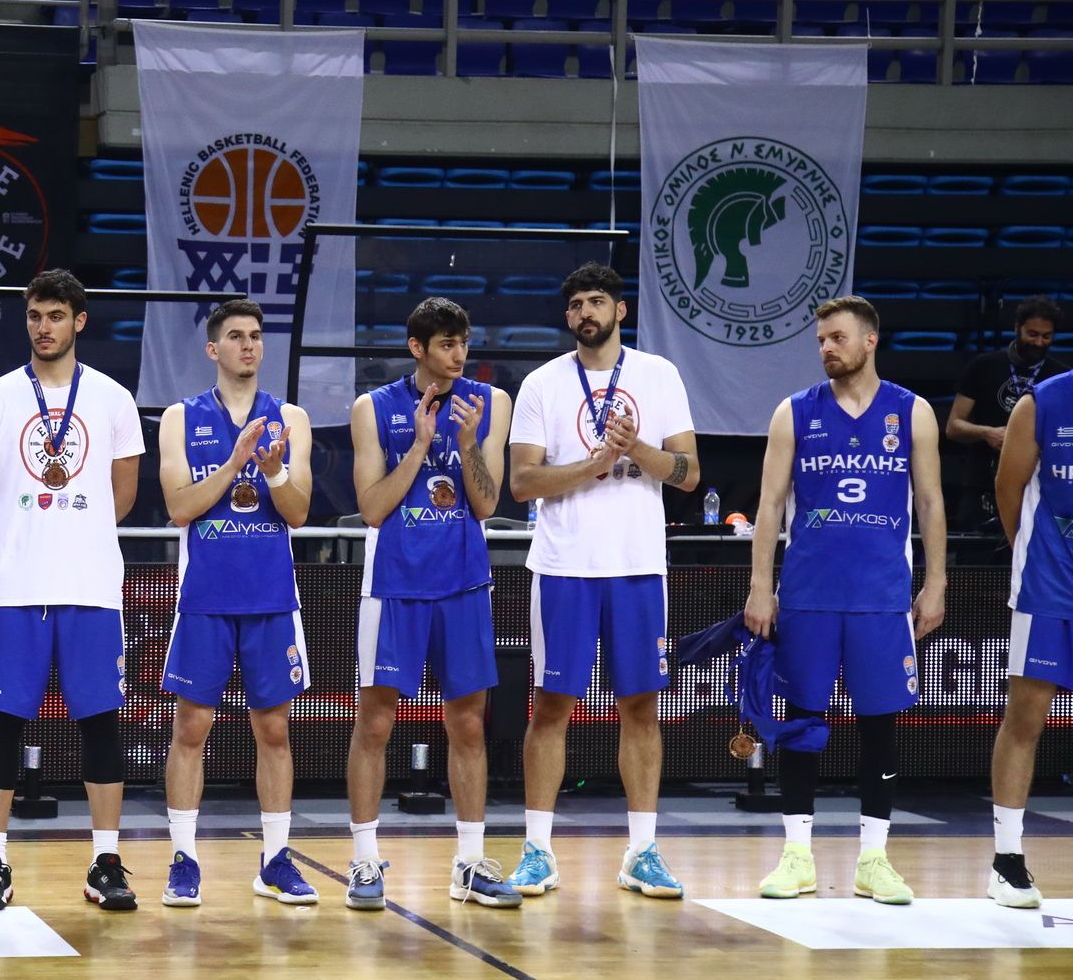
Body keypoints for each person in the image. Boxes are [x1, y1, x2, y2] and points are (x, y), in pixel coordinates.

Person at [744, 296, 948, 906]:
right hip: (808, 594)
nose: (826, 348)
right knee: (802, 720)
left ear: (869, 340)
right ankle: (796, 855)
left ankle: (874, 859)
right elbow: (769, 505)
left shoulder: (912, 412)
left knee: (880, 724)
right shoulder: (793, 412)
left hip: (881, 596)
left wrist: (936, 583)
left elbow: (931, 502)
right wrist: (760, 585)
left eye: (837, 337)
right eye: (821, 340)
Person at [506, 262, 701, 900]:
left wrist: (635, 449)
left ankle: (642, 852)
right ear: (568, 317)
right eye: (576, 304)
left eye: (597, 301)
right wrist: (594, 463)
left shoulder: (659, 375)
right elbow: (522, 483)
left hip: (637, 563)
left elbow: (689, 473)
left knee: (641, 705)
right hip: (565, 565)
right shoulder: (542, 383)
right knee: (550, 706)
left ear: (620, 310)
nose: (585, 312)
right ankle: (537, 851)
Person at [0, 268, 145, 912]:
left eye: (57, 315)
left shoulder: (113, 399)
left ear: (79, 321)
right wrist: (26, 524)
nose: (44, 326)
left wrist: (70, 525)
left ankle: (105, 862)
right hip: (15, 588)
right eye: (36, 315)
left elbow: (123, 495)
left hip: (91, 586)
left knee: (102, 723)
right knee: (2, 724)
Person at [344, 297, 520, 911]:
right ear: (417, 348)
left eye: (464, 342)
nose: (459, 354)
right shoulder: (372, 408)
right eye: (447, 344)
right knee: (376, 722)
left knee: (468, 722)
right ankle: (364, 861)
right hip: (394, 585)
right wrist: (419, 447)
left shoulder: (489, 403)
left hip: (463, 584)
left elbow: (486, 504)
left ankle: (469, 864)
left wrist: (468, 443)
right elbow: (371, 509)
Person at [157, 299, 318, 908]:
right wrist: (234, 463)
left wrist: (274, 472)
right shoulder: (180, 417)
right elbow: (180, 508)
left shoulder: (291, 418)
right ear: (213, 349)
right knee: (191, 726)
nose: (249, 345)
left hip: (271, 597)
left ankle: (275, 860)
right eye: (235, 336)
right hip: (204, 598)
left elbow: (298, 513)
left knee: (273, 729)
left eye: (255, 335)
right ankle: (184, 859)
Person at [987, 370, 1073, 909]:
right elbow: (1008, 488)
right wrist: (1031, 552)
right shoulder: (1042, 403)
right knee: (1026, 718)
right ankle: (1007, 860)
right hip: (1048, 584)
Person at [947, 296, 1064, 531]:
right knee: (974, 551)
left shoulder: (1060, 376)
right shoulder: (983, 366)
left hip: (1039, 485)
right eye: (1032, 334)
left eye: (1046, 336)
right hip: (981, 481)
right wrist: (986, 433)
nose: (1039, 342)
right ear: (1017, 328)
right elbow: (954, 426)